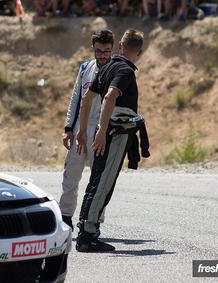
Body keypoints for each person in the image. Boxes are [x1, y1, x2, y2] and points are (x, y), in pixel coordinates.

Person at [75, 29, 150, 252]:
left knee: (96, 180)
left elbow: (86, 98)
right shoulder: (125, 70)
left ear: (120, 46)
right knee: (104, 182)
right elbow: (109, 97)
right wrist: (101, 131)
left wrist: (84, 130)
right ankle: (88, 236)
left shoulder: (106, 67)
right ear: (140, 51)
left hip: (107, 132)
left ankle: (86, 230)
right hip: (115, 134)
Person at [60, 29, 115, 231]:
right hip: (79, 130)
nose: (102, 55)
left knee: (98, 182)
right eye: (99, 51)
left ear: (113, 49)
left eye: (106, 51)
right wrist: (68, 128)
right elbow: (75, 99)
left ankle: (93, 223)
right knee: (70, 176)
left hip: (102, 132)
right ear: (93, 48)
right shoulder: (85, 68)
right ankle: (65, 217)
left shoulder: (117, 70)